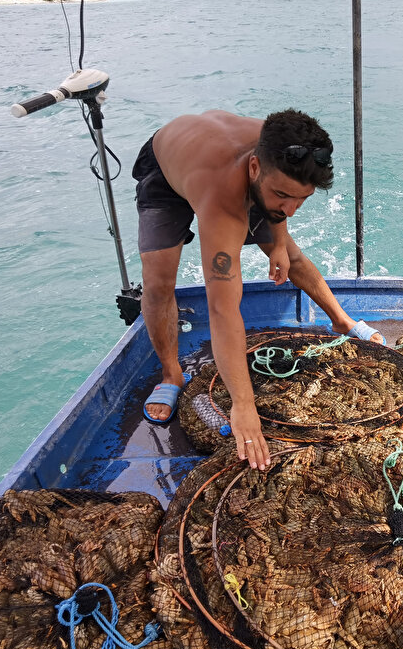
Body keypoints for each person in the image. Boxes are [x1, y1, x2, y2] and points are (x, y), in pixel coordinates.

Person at [133, 108, 385, 470]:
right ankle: (171, 373)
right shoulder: (223, 204)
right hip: (168, 169)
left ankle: (342, 322)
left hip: (229, 165)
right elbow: (222, 310)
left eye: (302, 199)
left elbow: (279, 208)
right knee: (158, 281)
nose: (293, 210)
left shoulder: (279, 147)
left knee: (292, 256)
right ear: (255, 169)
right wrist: (244, 405)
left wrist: (279, 240)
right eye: (284, 196)